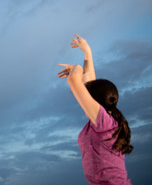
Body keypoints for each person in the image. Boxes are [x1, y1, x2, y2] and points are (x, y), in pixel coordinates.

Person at [57, 34, 133, 185]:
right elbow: (90, 83)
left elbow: (74, 81)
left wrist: (77, 69)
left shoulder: (105, 122)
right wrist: (87, 52)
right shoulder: (102, 121)